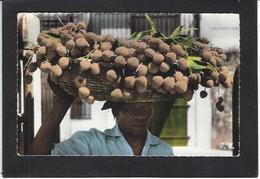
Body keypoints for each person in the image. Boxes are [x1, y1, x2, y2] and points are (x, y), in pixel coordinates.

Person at [29, 77, 174, 156]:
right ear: (117, 112)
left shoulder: (163, 150)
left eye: (145, 108)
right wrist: (63, 103)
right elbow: (37, 156)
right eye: (132, 108)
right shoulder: (90, 142)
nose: (140, 116)